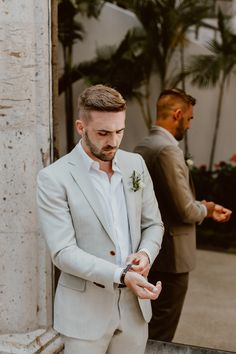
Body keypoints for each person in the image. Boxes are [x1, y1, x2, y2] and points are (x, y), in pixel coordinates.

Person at [37, 84, 164, 354]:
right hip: (84, 316)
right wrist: (121, 275)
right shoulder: (54, 178)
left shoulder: (135, 165)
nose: (114, 141)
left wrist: (145, 254)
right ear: (81, 128)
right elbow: (63, 252)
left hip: (134, 313)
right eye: (103, 133)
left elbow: (153, 224)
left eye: (119, 131)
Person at [134, 88, 232, 342]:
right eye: (189, 119)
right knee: (161, 330)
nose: (188, 125)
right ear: (177, 115)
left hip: (151, 249)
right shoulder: (167, 150)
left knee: (147, 322)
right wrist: (207, 210)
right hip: (171, 257)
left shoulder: (143, 145)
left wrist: (204, 206)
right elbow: (184, 209)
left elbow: (167, 201)